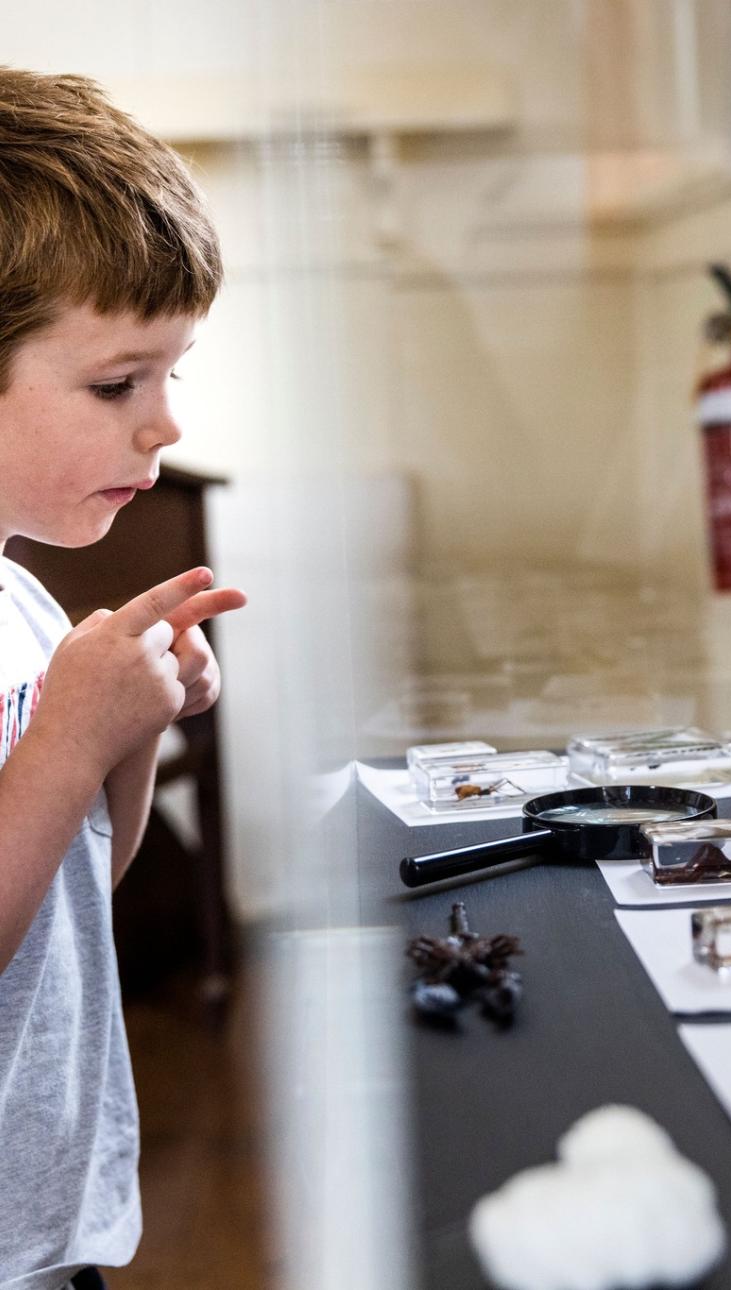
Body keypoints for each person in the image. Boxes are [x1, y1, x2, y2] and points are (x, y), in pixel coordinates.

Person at [0, 67, 246, 1288]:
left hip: (54, 1214)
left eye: (171, 373)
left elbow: (77, 886)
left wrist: (131, 728)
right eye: (117, 383)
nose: (166, 423)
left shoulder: (22, 602)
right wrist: (61, 741)